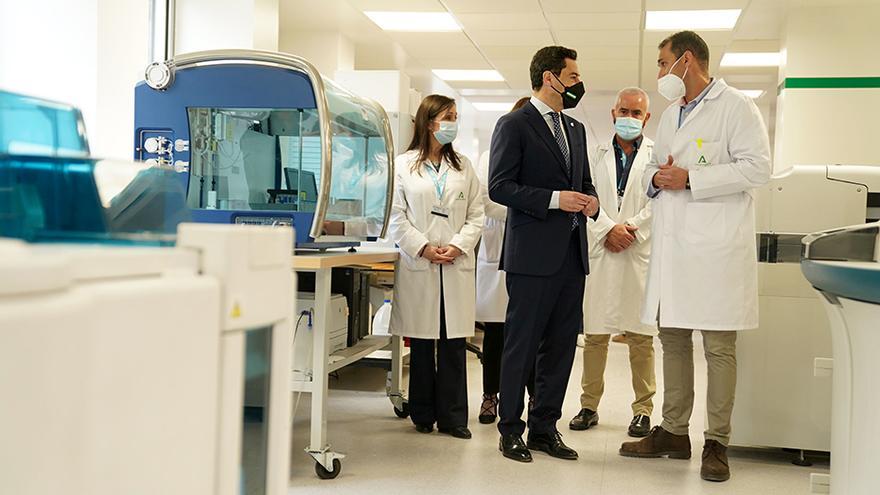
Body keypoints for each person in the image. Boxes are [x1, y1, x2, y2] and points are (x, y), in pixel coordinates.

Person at [618, 31, 771, 483]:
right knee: (674, 339)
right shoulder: (669, 115)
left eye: (664, 64)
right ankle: (673, 431)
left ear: (687, 61)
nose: (661, 73)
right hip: (674, 246)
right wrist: (659, 178)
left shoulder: (737, 107)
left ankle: (717, 442)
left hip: (717, 247)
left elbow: (757, 167)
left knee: (720, 347)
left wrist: (690, 179)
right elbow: (650, 169)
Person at [489, 46, 600, 463]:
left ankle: (544, 428)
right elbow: (499, 186)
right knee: (522, 346)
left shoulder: (575, 129)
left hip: (572, 255)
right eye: (572, 77)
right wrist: (555, 199)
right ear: (549, 78)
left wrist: (590, 202)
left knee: (560, 347)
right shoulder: (514, 124)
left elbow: (586, 183)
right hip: (532, 257)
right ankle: (510, 430)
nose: (577, 84)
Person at [388, 94, 484, 440]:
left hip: (455, 261)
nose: (453, 124)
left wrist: (458, 245)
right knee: (424, 341)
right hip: (421, 262)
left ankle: (454, 418)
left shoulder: (464, 167)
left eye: (456, 117)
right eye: (449, 117)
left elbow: (477, 213)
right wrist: (423, 247)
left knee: (454, 342)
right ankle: (423, 414)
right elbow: (396, 216)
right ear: (430, 123)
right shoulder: (403, 165)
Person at [569, 87, 657, 438]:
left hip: (637, 251)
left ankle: (643, 410)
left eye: (637, 114)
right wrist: (608, 229)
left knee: (641, 337)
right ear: (613, 113)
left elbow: (661, 201)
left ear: (647, 118)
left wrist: (631, 230)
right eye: (625, 111)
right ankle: (589, 405)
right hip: (603, 249)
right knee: (596, 335)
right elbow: (586, 198)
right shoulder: (595, 155)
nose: (630, 118)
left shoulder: (656, 155)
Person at [475, 97, 535, 425]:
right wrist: (528, 207)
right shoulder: (489, 156)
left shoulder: (542, 155)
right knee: (496, 332)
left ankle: (532, 397)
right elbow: (489, 201)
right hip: (499, 249)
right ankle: (490, 396)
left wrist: (525, 204)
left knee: (530, 332)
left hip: (531, 251)